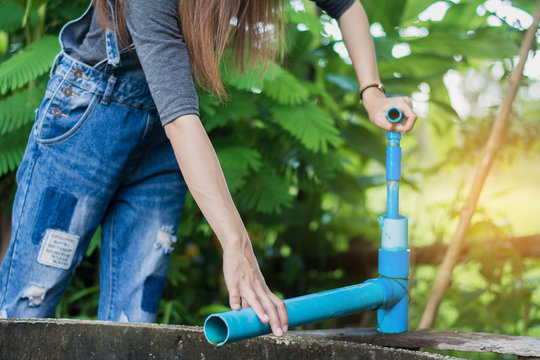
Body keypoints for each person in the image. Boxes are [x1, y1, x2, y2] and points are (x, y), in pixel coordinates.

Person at [0, 0, 417, 338]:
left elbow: (347, 6)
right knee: (24, 310)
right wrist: (238, 247)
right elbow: (182, 121)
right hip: (88, 121)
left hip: (165, 141)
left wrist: (372, 93)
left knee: (133, 325)